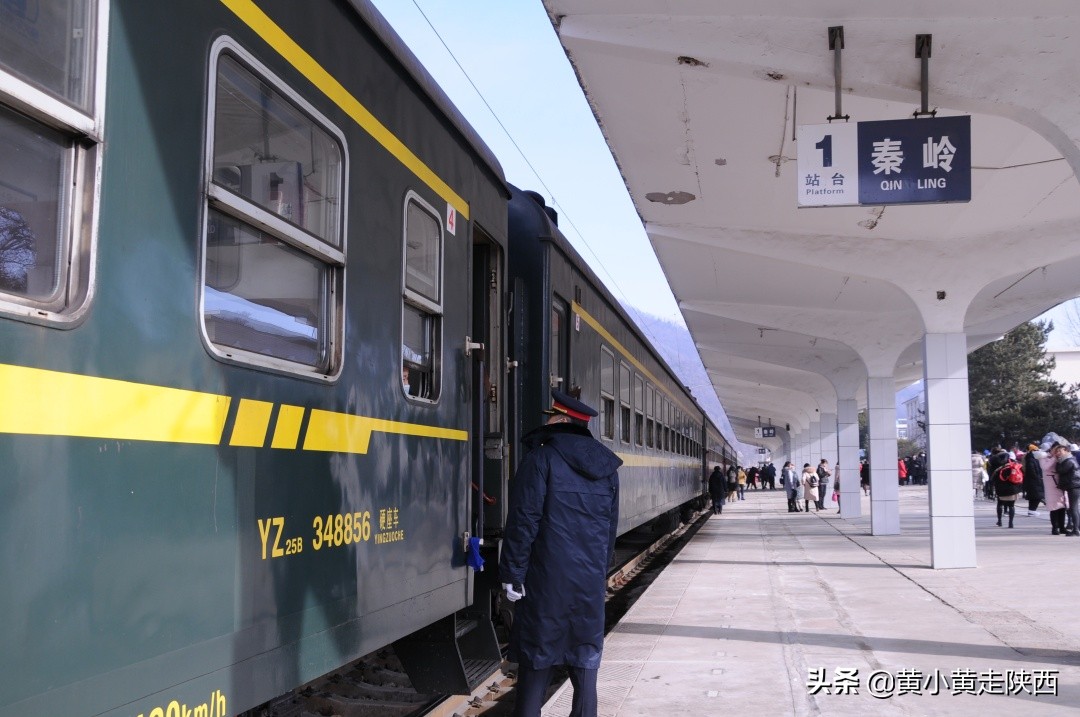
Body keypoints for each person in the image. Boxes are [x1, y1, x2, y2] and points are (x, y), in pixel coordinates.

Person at [499, 389, 622, 717]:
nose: (549, 420)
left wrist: (512, 573)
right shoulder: (607, 468)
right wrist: (600, 572)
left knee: (536, 664)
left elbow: (524, 521)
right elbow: (609, 530)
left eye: (552, 415)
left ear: (563, 419)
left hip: (545, 583)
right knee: (585, 665)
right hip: (587, 586)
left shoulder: (542, 459)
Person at [1049, 439, 1080, 537]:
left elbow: (1060, 470)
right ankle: (1076, 528)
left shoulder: (1069, 460)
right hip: (1072, 485)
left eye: (1060, 451)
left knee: (1073, 508)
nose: (1058, 453)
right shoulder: (1068, 460)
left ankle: (1076, 530)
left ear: (1067, 451)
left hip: (1073, 486)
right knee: (1073, 508)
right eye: (1057, 451)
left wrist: (1057, 462)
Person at [991, 454, 1022, 528]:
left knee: (1000, 504)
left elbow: (992, 479)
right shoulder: (1013, 466)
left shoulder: (997, 468)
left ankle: (999, 521)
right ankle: (1011, 523)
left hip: (1001, 490)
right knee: (1011, 506)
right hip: (1012, 489)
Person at [1022, 442, 1045, 516]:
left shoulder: (1031, 458)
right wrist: (1038, 478)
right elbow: (1032, 471)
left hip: (1033, 481)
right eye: (1035, 451)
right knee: (1036, 496)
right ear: (1032, 451)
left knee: (1034, 496)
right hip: (1033, 481)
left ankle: (1031, 510)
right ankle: (1032, 510)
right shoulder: (1030, 459)